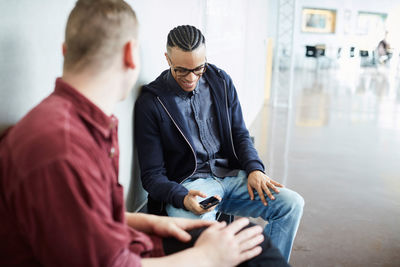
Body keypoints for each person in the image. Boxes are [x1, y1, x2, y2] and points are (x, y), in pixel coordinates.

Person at [0, 0, 290, 266]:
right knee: (251, 249)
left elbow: (83, 221)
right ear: (131, 54)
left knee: (251, 239)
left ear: (65, 51)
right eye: (182, 71)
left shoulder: (83, 125)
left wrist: (152, 224)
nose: (191, 78)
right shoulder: (63, 147)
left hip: (127, 241)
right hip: (123, 256)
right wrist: (206, 257)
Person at [135, 25, 305, 262]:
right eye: (181, 70)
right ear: (167, 59)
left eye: (198, 68)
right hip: (189, 188)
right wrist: (182, 197)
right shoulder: (151, 103)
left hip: (230, 176)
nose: (191, 78)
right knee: (203, 234)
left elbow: (240, 134)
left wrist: (255, 169)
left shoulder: (221, 82)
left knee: (292, 204)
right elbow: (152, 176)